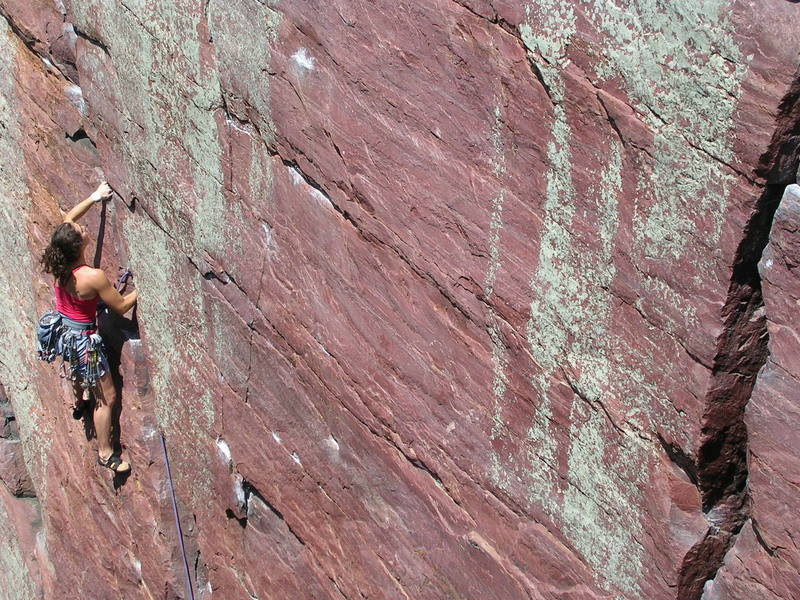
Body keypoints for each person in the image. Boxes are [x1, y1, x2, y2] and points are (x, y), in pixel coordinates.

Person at [40, 182, 138, 473]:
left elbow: (69, 218)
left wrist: (95, 198)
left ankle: (78, 401)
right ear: (77, 248)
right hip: (85, 344)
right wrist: (143, 289)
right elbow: (121, 307)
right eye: (82, 234)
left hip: (63, 334)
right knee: (106, 397)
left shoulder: (59, 260)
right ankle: (106, 453)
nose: (84, 230)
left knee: (74, 369)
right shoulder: (91, 277)